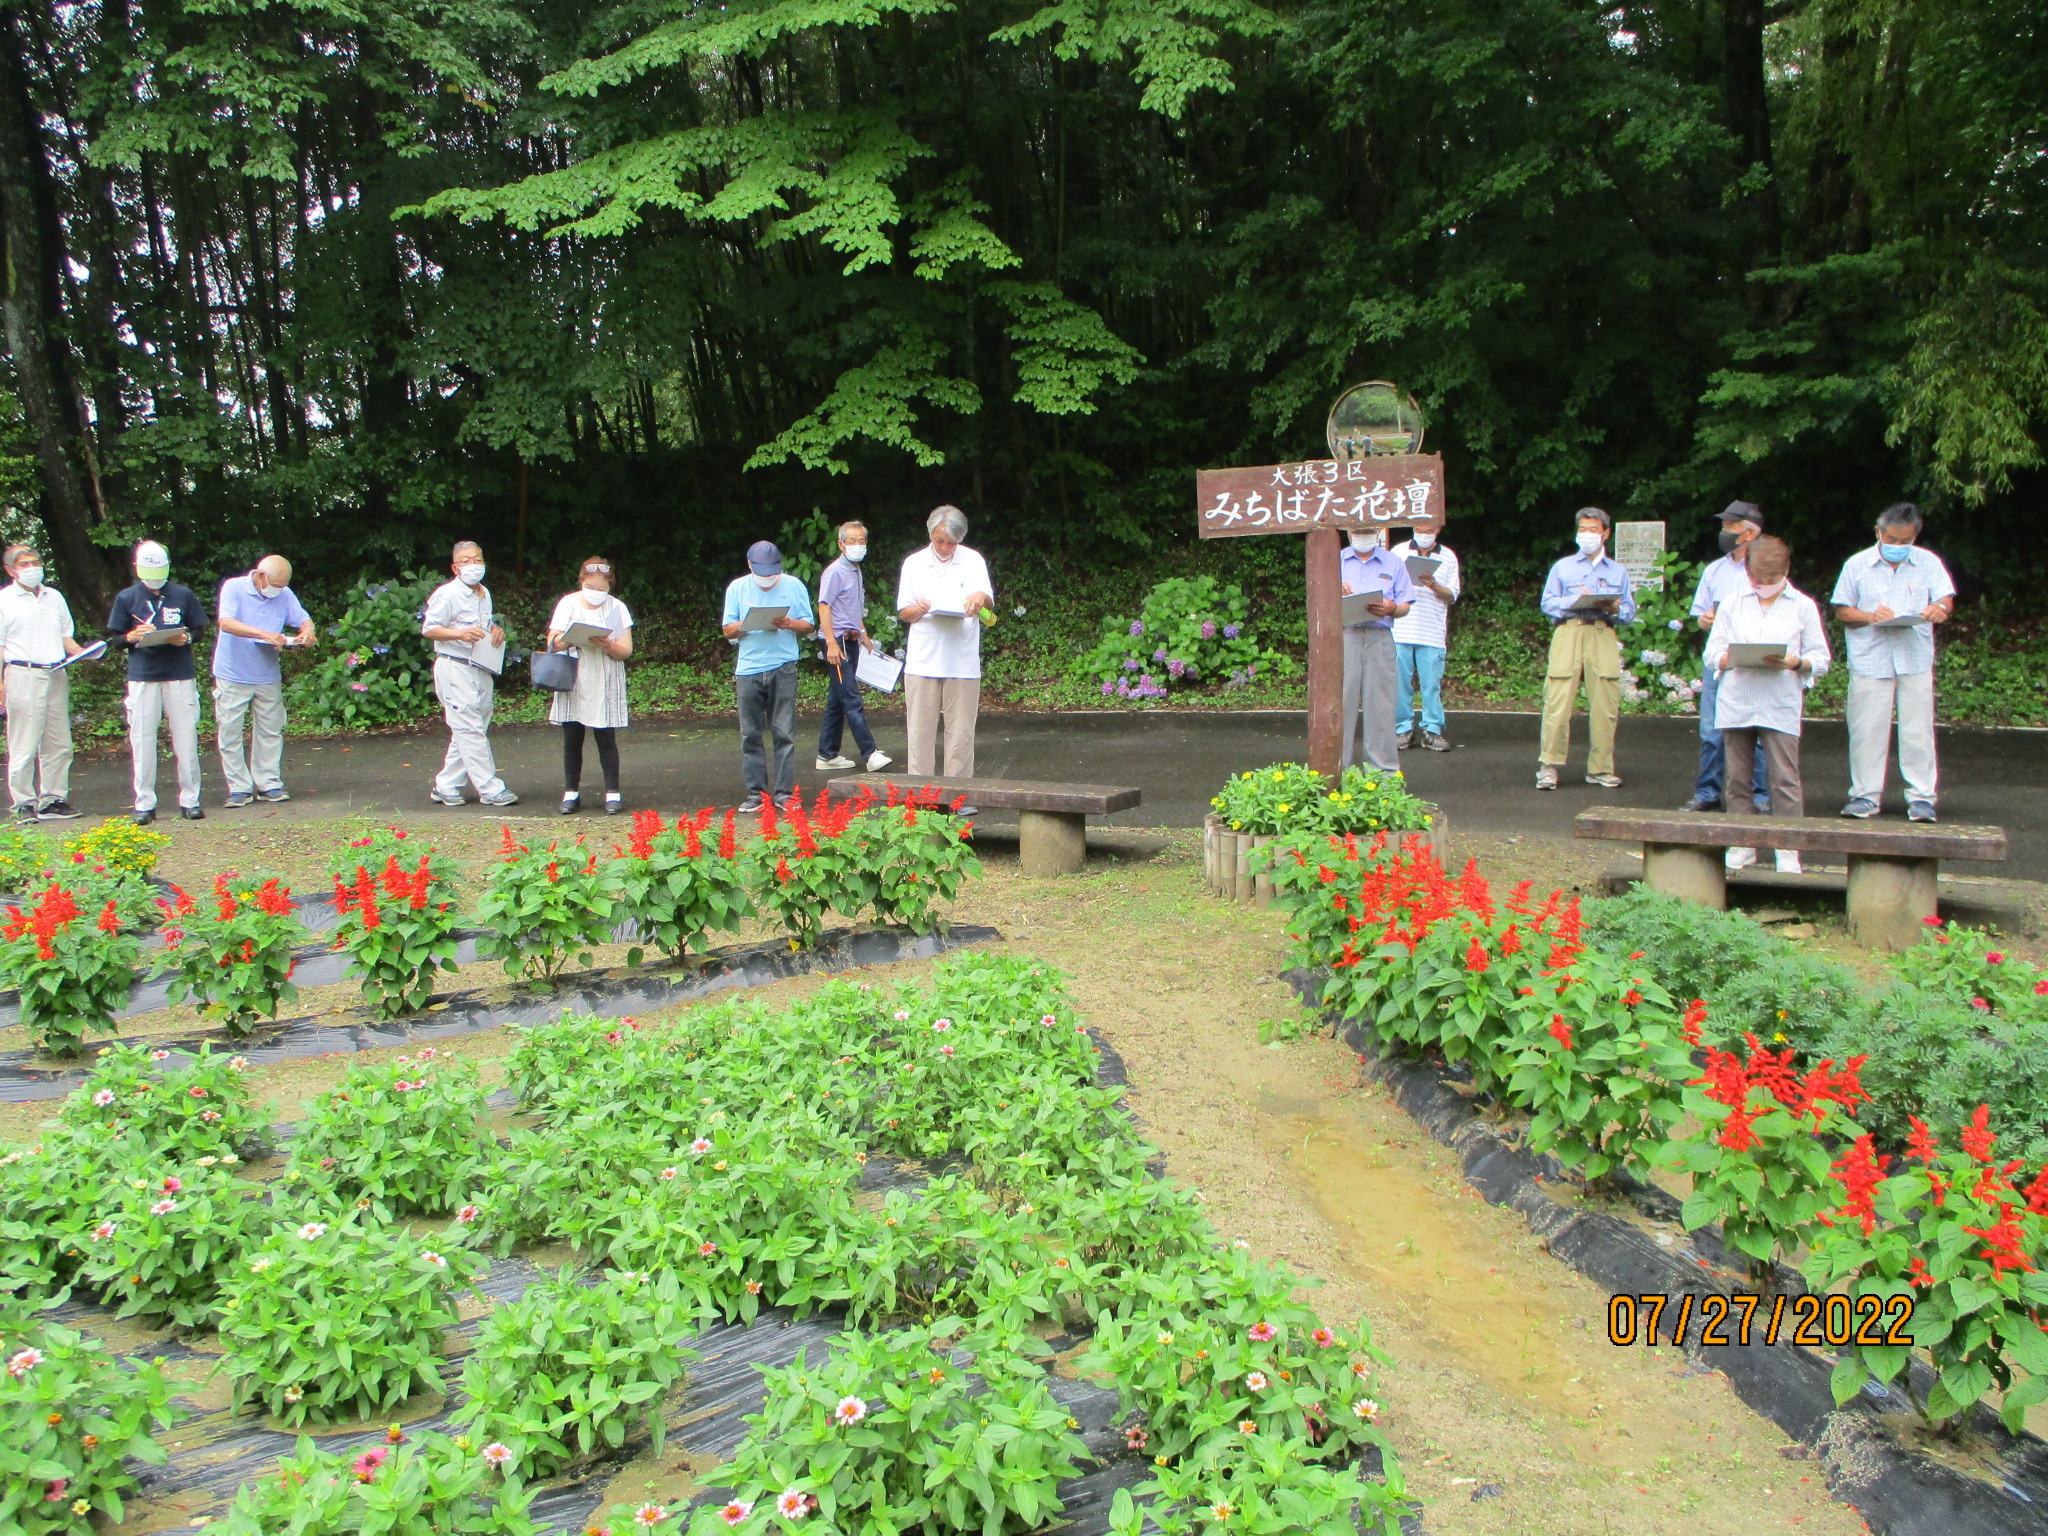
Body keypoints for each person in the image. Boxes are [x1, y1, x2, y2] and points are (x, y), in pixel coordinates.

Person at [1702, 536, 1830, 873]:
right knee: (1738, 779)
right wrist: (1730, 658)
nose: (1764, 586)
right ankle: (1742, 843)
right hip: (1738, 700)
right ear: (1747, 571)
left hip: (1780, 701)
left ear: (1786, 570)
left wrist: (1795, 662)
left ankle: (1788, 848)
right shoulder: (1732, 602)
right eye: (1758, 579)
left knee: (1784, 779)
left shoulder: (1803, 606)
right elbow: (1712, 652)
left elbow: (1821, 658)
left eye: (1771, 580)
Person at [1831, 502, 1955, 823]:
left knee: (1918, 729)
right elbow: (1842, 610)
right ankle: (1864, 795)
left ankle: (1922, 797)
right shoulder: (1856, 565)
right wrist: (1871, 616)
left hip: (1914, 656)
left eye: (1906, 541)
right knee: (1867, 728)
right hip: (1871, 658)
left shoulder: (1929, 562)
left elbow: (1945, 598)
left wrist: (1938, 608)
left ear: (1916, 536)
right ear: (1879, 532)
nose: (1899, 546)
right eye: (1893, 540)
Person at [897, 506, 993, 805]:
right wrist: (919, 609)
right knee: (920, 734)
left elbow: (987, 600)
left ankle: (958, 800)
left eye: (951, 542)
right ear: (930, 535)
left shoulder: (973, 559)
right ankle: (921, 800)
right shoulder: (914, 564)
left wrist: (981, 598)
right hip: (923, 659)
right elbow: (904, 611)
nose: (944, 547)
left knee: (961, 735)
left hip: (962, 661)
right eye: (939, 540)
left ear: (960, 540)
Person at [107, 540, 208, 825]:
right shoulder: (127, 598)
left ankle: (191, 800)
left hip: (180, 674)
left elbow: (199, 629)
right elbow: (115, 639)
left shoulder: (182, 594)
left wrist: (185, 637)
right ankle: (144, 803)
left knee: (186, 737)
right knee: (142, 739)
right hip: (143, 677)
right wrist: (133, 636)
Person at [1536, 507, 1637, 790]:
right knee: (1557, 698)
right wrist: (1573, 600)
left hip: (1602, 631)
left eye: (1593, 530)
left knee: (1606, 702)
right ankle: (1548, 765)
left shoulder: (1618, 571)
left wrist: (1614, 606)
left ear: (1606, 533)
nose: (1587, 535)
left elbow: (1629, 613)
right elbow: (1547, 603)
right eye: (1582, 529)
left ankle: (1601, 768)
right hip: (1569, 630)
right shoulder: (1563, 567)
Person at [1682, 501, 1769, 813]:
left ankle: (1758, 796)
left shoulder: (1765, 568)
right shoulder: (1713, 570)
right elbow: (1699, 613)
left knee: (1755, 730)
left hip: (1753, 659)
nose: (1724, 532)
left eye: (1730, 527)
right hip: (1719, 659)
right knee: (1711, 731)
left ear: (1749, 532)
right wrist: (1704, 620)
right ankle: (1707, 792)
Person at [214, 553, 314, 807]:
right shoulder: (234, 588)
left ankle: (269, 782)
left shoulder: (284, 593)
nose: (278, 591)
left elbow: (302, 618)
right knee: (230, 730)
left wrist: (307, 632)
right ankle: (239, 787)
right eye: (275, 585)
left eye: (282, 586)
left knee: (270, 729)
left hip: (267, 674)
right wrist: (264, 634)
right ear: (260, 576)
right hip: (233, 672)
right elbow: (226, 623)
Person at [721, 539, 814, 812]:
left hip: (784, 665)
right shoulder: (737, 588)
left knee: (784, 732)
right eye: (761, 572)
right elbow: (727, 629)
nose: (767, 579)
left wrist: (788, 623)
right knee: (750, 733)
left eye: (771, 572)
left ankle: (784, 794)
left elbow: (808, 624)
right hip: (748, 668)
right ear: (750, 565)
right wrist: (748, 624)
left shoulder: (794, 585)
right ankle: (756, 795)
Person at [422, 541, 517, 808]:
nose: (472, 565)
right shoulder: (446, 594)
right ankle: (490, 788)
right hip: (454, 665)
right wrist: (460, 634)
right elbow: (430, 628)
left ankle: (446, 785)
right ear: (455, 567)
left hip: (480, 664)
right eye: (465, 561)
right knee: (469, 727)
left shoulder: (484, 593)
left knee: (473, 726)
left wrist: (495, 630)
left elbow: (485, 624)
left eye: (477, 559)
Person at [0, 543, 84, 821]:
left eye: (35, 562)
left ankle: (53, 798)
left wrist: (84, 653)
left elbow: (65, 637)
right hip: (22, 673)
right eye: (24, 564)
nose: (32, 568)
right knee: (24, 740)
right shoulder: (4, 600)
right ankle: (23, 801)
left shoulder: (54, 597)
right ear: (10, 569)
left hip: (55, 671)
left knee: (59, 741)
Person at [547, 556, 634, 815]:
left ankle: (612, 793)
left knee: (606, 737)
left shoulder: (617, 608)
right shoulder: (568, 603)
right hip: (574, 673)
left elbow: (626, 649)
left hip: (605, 674)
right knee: (572, 737)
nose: (596, 593)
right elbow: (552, 642)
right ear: (581, 581)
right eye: (591, 587)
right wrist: (574, 637)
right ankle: (571, 792)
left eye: (602, 588)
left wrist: (608, 644)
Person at [815, 520, 891, 773]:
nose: (857, 545)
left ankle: (827, 754)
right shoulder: (834, 571)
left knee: (837, 699)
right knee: (851, 698)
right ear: (841, 544)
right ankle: (870, 753)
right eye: (852, 541)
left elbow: (852, 607)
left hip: (851, 640)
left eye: (862, 541)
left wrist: (864, 634)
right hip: (837, 643)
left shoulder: (856, 570)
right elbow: (824, 606)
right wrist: (830, 643)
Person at [1337, 526, 1414, 772]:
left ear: (1377, 533)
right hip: (1344, 635)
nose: (1362, 535)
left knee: (1381, 706)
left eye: (1368, 530)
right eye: (1358, 531)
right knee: (1340, 704)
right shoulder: (1334, 559)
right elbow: (1317, 597)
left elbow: (1405, 605)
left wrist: (1391, 608)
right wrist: (1334, 590)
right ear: (1349, 532)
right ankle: (1336, 771)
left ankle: (1383, 774)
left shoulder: (1393, 562)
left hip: (1379, 636)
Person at [1388, 524, 1459, 751]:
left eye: (1428, 527)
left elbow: (1452, 595)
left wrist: (1433, 584)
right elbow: (1386, 587)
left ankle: (1432, 731)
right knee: (1400, 684)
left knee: (1431, 686)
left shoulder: (1448, 556)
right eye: (1419, 526)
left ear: (1437, 528)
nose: (1423, 532)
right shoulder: (1398, 551)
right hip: (1401, 629)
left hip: (1432, 632)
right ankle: (1403, 730)